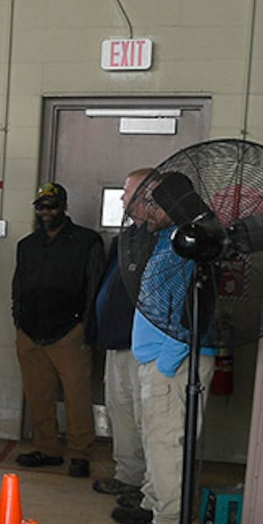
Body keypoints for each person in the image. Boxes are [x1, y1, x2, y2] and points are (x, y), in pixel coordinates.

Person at [118, 170, 216, 524]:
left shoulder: (192, 243)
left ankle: (170, 522)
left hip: (172, 363)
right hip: (159, 360)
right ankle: (153, 502)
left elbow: (192, 310)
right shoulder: (167, 239)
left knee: (167, 442)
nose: (127, 205)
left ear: (157, 200)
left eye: (132, 196)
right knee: (155, 439)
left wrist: (166, 362)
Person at [11, 181, 104, 477]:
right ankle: (47, 448)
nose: (46, 212)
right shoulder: (26, 245)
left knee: (77, 395)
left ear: (65, 207)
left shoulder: (87, 241)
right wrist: (18, 320)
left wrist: (85, 327)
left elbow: (95, 286)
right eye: (41, 207)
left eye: (52, 206)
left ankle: (80, 453)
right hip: (30, 331)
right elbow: (18, 285)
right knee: (38, 394)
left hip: (69, 331)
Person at [93, 168, 150, 500]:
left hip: (141, 346)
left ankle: (149, 489)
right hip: (114, 341)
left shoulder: (161, 239)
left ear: (146, 197)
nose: (122, 199)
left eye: (126, 193)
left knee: (144, 418)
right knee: (121, 413)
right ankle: (127, 477)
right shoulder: (126, 239)